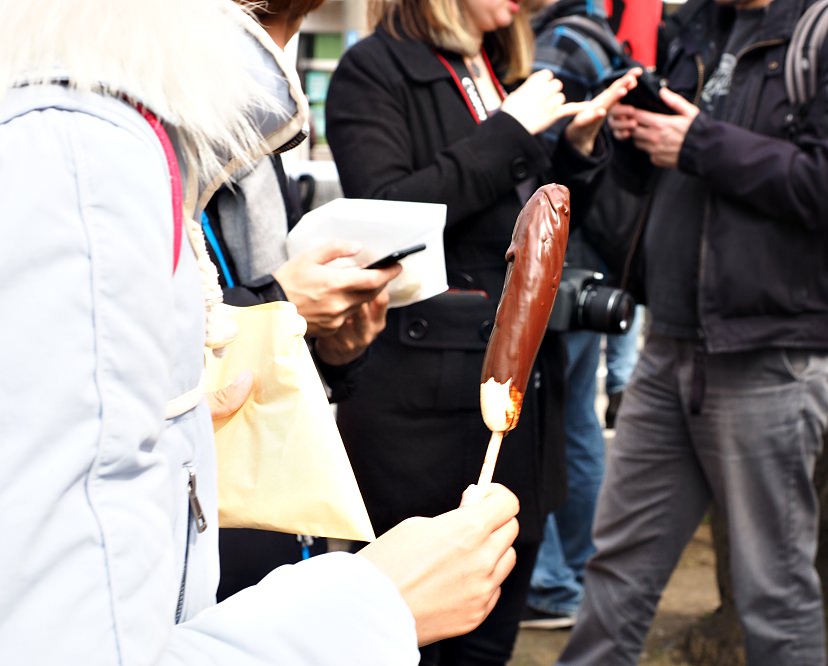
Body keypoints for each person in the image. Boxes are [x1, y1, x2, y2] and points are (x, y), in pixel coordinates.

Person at [0, 0, 522, 662]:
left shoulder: (199, 98)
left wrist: (326, 343)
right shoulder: (80, 146)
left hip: (234, 537)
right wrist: (372, 608)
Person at [556, 1, 828, 665]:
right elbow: (670, 168)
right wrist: (630, 137)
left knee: (771, 588)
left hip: (772, 354)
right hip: (670, 344)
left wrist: (701, 145)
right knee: (616, 572)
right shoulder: (696, 26)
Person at [324, 0, 637, 660]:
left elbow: (517, 228)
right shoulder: (373, 69)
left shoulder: (495, 63)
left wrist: (575, 153)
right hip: (422, 421)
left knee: (491, 641)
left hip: (517, 407)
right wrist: (510, 127)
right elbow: (388, 213)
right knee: (408, 638)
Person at [206, 0, 404, 602]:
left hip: (277, 513)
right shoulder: (143, 126)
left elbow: (293, 360)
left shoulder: (261, 132)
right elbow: (129, 345)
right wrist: (280, 300)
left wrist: (340, 348)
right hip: (196, 521)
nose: (278, 54)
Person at [520, 0, 634, 630]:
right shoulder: (596, 35)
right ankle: (574, 574)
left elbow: (533, 145)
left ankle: (555, 581)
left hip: (566, 247)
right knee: (575, 421)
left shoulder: (559, 44)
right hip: (592, 251)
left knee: (556, 419)